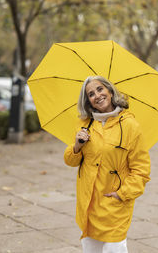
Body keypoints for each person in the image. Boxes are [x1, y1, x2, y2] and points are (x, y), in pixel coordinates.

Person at [64, 76, 151, 253]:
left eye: (100, 89)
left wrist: (122, 194)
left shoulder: (130, 125)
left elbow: (141, 170)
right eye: (91, 94)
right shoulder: (85, 125)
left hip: (114, 203)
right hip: (89, 204)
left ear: (110, 92)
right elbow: (70, 161)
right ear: (88, 101)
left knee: (115, 249)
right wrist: (77, 146)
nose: (97, 95)